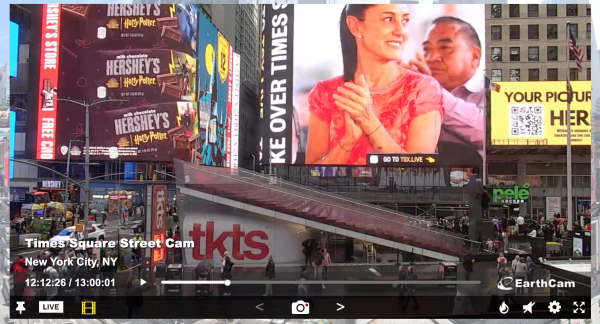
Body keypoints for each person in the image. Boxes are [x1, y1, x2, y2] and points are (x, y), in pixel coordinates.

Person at [305, 4, 444, 165]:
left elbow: (418, 173)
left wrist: (368, 121)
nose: (401, 32)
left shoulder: (423, 90)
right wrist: (347, 142)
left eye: (405, 21)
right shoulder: (326, 93)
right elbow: (310, 176)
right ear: (355, 26)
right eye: (388, 19)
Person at [402, 16, 484, 158]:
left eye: (444, 47)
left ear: (474, 56)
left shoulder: (496, 90)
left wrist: (431, 91)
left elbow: (488, 133)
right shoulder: (414, 91)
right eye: (427, 49)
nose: (432, 57)